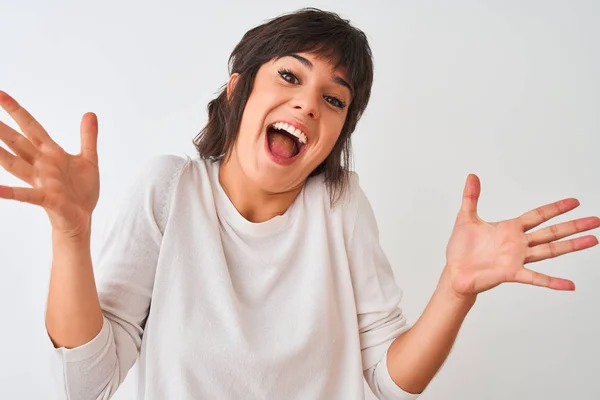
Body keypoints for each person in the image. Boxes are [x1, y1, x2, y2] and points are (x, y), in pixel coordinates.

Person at [0, 7, 598, 400]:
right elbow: (89, 383)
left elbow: (387, 382)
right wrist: (71, 234)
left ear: (338, 132)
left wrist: (456, 289)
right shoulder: (169, 191)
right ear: (238, 92)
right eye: (290, 77)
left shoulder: (340, 205)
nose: (309, 104)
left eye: (333, 100)